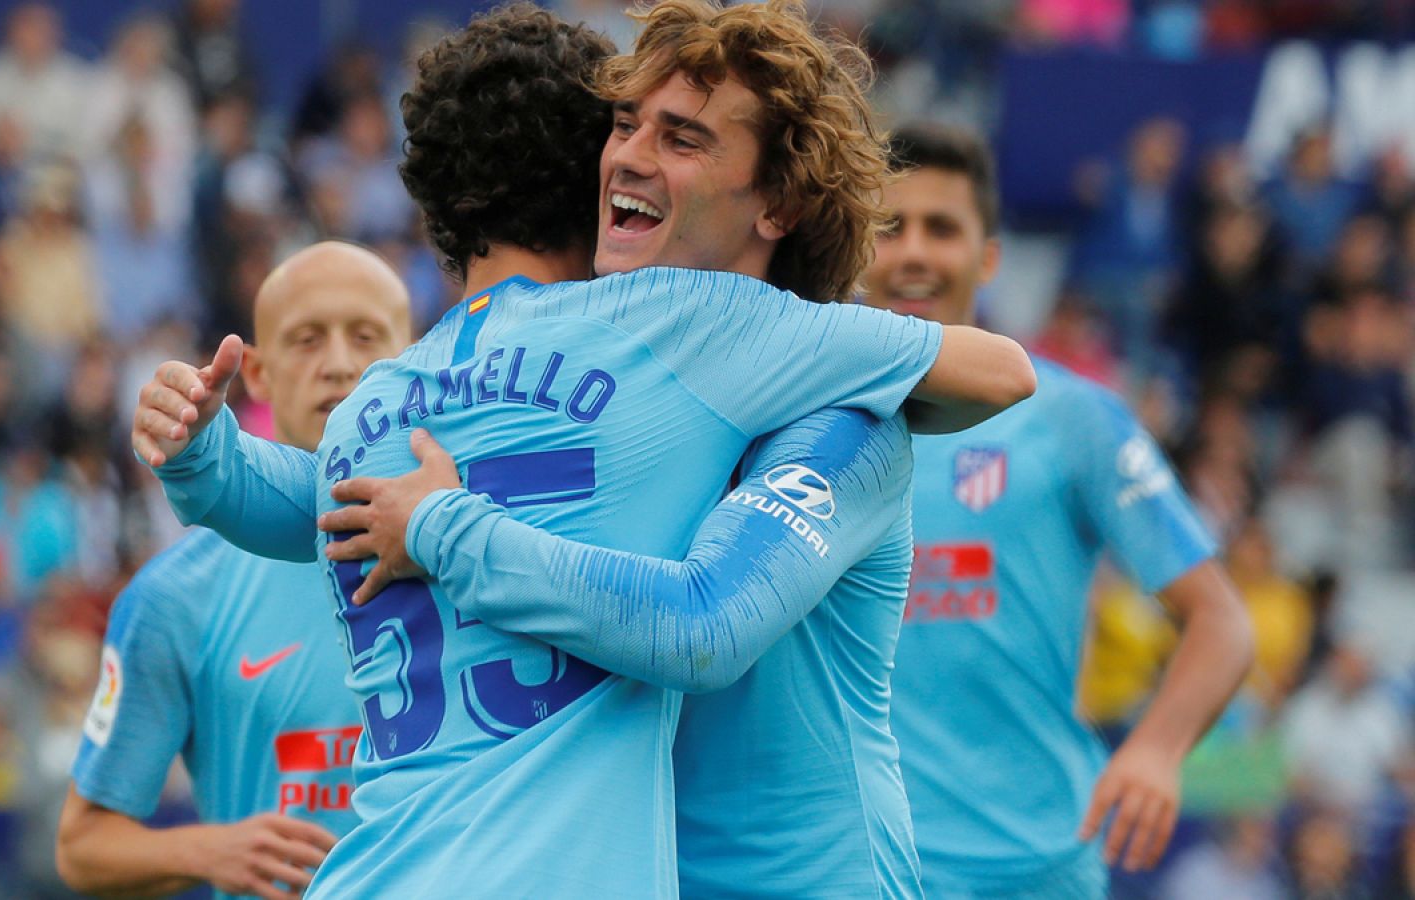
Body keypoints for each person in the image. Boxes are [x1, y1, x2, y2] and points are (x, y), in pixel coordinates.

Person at [131, 4, 1033, 896]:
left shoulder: (844, 421)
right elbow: (346, 502)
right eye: (622, 125)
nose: (627, 156)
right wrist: (209, 457)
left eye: (681, 138)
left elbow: (703, 625)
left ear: (777, 203)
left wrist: (440, 527)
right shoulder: (609, 377)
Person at [860, 123, 1253, 898]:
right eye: (889, 227)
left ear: (989, 257)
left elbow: (1223, 622)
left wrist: (1156, 749)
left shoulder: (1071, 415)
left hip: (1034, 864)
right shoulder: (804, 424)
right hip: (856, 867)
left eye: (942, 228)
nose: (914, 253)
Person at [54, 242, 411, 900]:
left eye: (366, 336)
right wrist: (207, 848)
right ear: (258, 373)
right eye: (307, 339)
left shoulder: (469, 553)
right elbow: (81, 847)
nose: (339, 363)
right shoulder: (175, 596)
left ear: (412, 358)